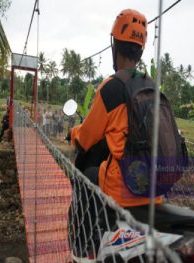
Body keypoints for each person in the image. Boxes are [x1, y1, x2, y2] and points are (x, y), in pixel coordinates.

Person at [69, 9, 160, 258]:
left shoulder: (112, 87)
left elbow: (86, 137)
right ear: (140, 51)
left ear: (115, 45)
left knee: (84, 176)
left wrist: (73, 132)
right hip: (154, 181)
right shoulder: (152, 87)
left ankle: (80, 247)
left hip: (122, 183)